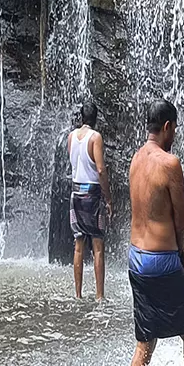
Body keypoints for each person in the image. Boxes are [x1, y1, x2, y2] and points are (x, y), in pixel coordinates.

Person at [127, 98, 184, 366]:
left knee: (145, 342)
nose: (175, 137)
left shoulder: (135, 160)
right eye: (175, 130)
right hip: (162, 261)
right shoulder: (170, 164)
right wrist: (183, 249)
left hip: (137, 259)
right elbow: (180, 219)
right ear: (167, 127)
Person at [67, 103, 112, 300]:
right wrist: (108, 198)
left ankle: (78, 294)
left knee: (78, 244)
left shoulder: (70, 136)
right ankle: (99, 296)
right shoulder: (95, 137)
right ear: (96, 118)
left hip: (75, 193)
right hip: (92, 194)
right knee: (98, 246)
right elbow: (100, 170)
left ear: (81, 118)